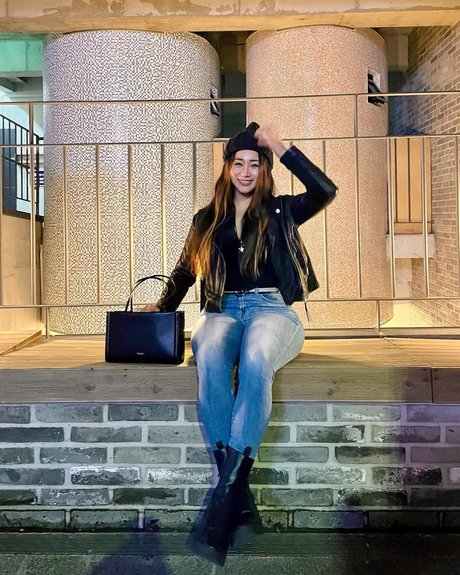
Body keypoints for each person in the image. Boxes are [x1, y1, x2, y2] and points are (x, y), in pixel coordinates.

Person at [141, 122, 337, 564]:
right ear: (227, 168)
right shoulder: (206, 218)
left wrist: (279, 146)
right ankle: (236, 499)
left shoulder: (283, 210)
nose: (246, 172)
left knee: (255, 358)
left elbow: (325, 190)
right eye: (238, 164)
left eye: (254, 164)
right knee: (209, 355)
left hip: (272, 310)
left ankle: (221, 502)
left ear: (264, 170)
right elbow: (185, 270)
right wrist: (163, 305)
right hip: (222, 310)